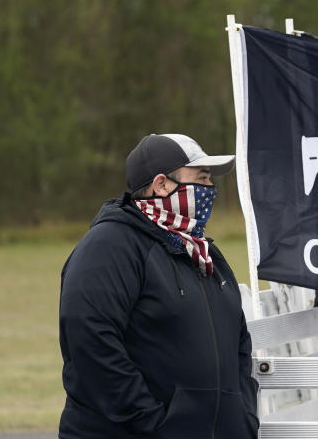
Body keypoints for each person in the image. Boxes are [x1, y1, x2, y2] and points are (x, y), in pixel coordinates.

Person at [59, 133, 259, 438]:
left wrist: (243, 418)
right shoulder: (110, 245)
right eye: (202, 178)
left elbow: (239, 345)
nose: (211, 189)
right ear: (162, 184)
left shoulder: (205, 255)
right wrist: (153, 424)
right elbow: (90, 342)